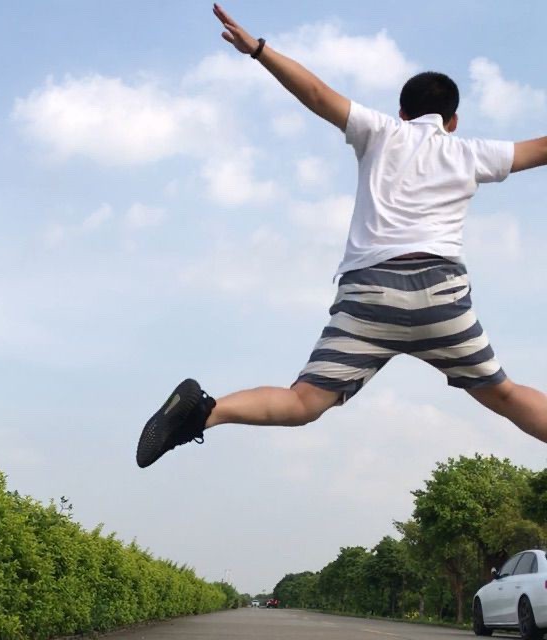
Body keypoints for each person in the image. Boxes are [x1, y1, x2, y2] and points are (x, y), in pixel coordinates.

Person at [136, 4, 547, 468]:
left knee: (304, 401)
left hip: (369, 293)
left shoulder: (381, 131)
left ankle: (205, 414)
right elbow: (543, 148)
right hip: (440, 295)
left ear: (402, 113)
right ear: (453, 121)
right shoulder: (471, 153)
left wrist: (259, 50)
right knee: (506, 395)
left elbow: (315, 93)